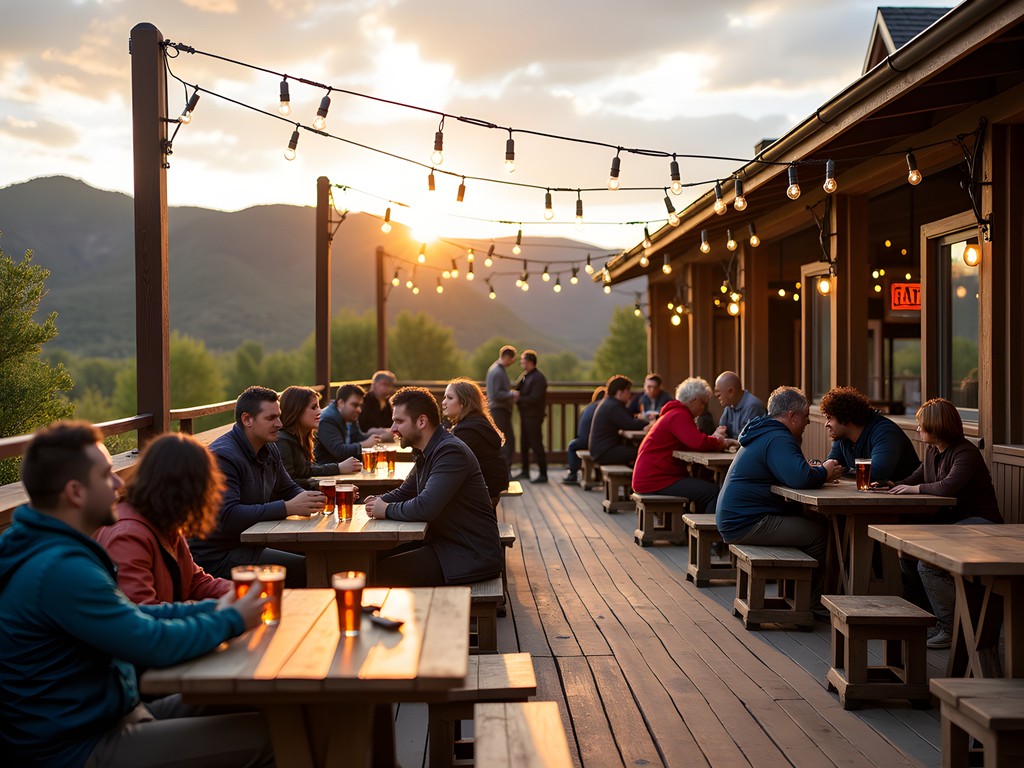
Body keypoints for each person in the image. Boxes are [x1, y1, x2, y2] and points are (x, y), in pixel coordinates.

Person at [0, 421, 272, 768]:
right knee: (275, 737)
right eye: (106, 475)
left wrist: (219, 607)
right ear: (75, 492)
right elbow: (148, 641)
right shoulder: (60, 569)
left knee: (266, 705)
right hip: (79, 747)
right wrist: (230, 619)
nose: (118, 482)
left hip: (110, 716)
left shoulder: (57, 550)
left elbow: (136, 616)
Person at [887, 398, 1003, 649]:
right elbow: (917, 476)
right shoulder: (933, 452)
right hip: (951, 525)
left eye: (921, 425)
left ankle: (953, 628)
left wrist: (913, 489)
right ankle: (926, 619)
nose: (917, 429)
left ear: (936, 426)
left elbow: (947, 487)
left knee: (928, 564)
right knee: (907, 553)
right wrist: (891, 486)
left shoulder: (965, 452)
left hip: (980, 524)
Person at [190, 386, 325, 588]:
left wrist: (311, 499)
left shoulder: (269, 448)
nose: (279, 424)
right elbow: (227, 516)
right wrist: (287, 508)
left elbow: (288, 487)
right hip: (218, 555)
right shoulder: (223, 457)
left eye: (279, 417)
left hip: (251, 542)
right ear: (247, 420)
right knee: (307, 567)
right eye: (271, 418)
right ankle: (290, 617)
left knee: (320, 554)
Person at [365, 387, 501, 587]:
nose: (392, 428)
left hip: (471, 552)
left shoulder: (450, 451)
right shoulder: (427, 450)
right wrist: (378, 501)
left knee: (383, 572)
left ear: (421, 422)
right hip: (446, 543)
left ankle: (398, 618)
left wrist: (385, 509)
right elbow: (406, 491)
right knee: (372, 556)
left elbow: (426, 507)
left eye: (399, 421)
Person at [716, 387, 845, 592]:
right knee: (820, 534)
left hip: (736, 517)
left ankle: (796, 594)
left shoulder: (764, 430)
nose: (808, 422)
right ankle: (810, 603)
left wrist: (812, 470)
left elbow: (789, 471)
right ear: (792, 416)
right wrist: (824, 471)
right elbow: (800, 478)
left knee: (816, 521)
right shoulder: (778, 437)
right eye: (805, 416)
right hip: (746, 522)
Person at [94, 433, 232, 605]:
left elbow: (195, 582)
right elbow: (142, 614)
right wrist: (221, 615)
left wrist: (242, 589)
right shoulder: (128, 536)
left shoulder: (164, 519)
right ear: (185, 489)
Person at [633, 378, 738, 513]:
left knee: (703, 488)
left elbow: (693, 440)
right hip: (656, 479)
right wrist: (720, 441)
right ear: (693, 400)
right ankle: (708, 532)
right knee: (714, 492)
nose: (703, 409)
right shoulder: (679, 415)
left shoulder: (674, 413)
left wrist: (714, 439)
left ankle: (693, 529)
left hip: (653, 477)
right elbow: (698, 442)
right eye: (702, 403)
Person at [819, 385, 920, 483]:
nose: (826, 424)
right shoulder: (842, 437)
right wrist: (829, 464)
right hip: (872, 496)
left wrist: (840, 470)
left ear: (845, 417)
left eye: (829, 418)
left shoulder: (884, 432)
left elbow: (875, 474)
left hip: (905, 497)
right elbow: (832, 461)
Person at [277, 385, 361, 490]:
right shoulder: (283, 442)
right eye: (314, 407)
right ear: (296, 410)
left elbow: (308, 470)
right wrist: (336, 471)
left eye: (319, 406)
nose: (320, 412)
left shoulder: (302, 438)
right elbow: (288, 484)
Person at [442, 377, 510, 503]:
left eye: (449, 398)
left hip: (483, 494)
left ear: (464, 402)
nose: (443, 402)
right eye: (445, 397)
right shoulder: (474, 422)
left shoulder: (469, 431)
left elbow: (447, 460)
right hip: (487, 488)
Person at [589, 375, 651, 467]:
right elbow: (631, 424)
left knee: (638, 450)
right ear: (620, 392)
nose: (630, 395)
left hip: (601, 450)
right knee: (643, 451)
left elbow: (627, 419)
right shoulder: (613, 406)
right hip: (604, 452)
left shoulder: (610, 403)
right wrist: (649, 423)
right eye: (628, 391)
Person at [314, 383, 381, 464]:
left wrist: (377, 437)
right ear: (341, 403)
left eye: (360, 406)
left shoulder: (349, 416)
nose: (359, 410)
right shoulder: (327, 419)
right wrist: (363, 445)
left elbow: (357, 438)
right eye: (355, 405)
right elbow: (338, 451)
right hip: (326, 472)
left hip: (344, 470)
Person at [513, 349, 549, 483]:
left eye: (522, 359)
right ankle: (525, 471)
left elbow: (535, 398)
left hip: (534, 417)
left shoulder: (539, 377)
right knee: (524, 443)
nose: (520, 362)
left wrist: (519, 398)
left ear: (529, 361)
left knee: (536, 444)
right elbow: (516, 389)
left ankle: (543, 474)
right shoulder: (526, 375)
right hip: (525, 416)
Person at [563, 386, 605, 484]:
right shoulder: (603, 408)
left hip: (583, 440)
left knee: (572, 446)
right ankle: (598, 476)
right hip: (596, 442)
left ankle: (573, 473)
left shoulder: (587, 408)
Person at [486, 345, 519, 472]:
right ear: (506, 357)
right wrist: (512, 394)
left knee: (507, 441)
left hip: (500, 410)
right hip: (499, 410)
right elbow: (495, 394)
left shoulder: (496, 369)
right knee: (505, 442)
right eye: (512, 359)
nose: (512, 362)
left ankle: (505, 470)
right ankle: (504, 471)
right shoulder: (497, 371)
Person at [713, 371, 767, 439]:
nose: (716, 395)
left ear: (731, 392)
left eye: (718, 392)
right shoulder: (729, 406)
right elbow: (720, 433)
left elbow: (750, 440)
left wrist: (728, 442)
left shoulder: (753, 407)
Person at [359, 370, 397, 441]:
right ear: (374, 384)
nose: (387, 388)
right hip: (365, 439)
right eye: (384, 384)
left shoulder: (389, 404)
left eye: (389, 385)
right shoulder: (364, 401)